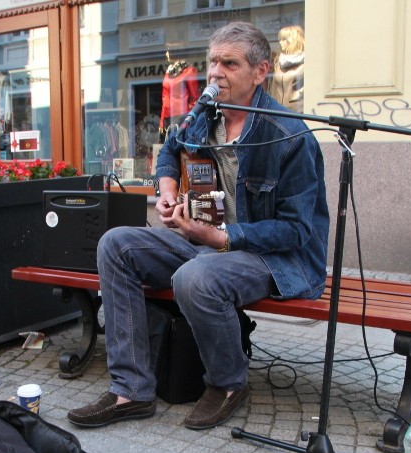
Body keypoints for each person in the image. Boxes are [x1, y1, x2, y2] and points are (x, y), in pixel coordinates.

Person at [67, 21, 329, 430]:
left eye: (230, 63)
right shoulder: (205, 114)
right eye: (212, 62)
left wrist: (220, 237)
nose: (216, 73)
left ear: (261, 71)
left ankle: (227, 383)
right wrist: (167, 189)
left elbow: (297, 231)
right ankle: (131, 389)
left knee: (195, 277)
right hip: (211, 245)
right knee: (115, 244)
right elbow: (171, 149)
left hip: (275, 258)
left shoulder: (290, 135)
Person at [269, 25, 306, 113]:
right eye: (280, 40)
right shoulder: (278, 62)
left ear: (292, 41)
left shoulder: (307, 62)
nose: (281, 42)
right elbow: (273, 90)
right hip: (278, 112)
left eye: (284, 39)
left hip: (299, 112)